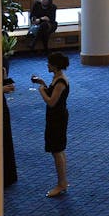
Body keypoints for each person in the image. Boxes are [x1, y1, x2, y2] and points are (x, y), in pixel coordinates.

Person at [33, 52, 69, 197]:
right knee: (58, 150)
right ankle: (63, 181)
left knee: (57, 150)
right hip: (55, 117)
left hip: (58, 118)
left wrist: (41, 91)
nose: (47, 65)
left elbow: (51, 102)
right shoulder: (56, 78)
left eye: (49, 63)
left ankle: (61, 184)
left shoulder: (60, 82)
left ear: (55, 65)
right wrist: (42, 83)